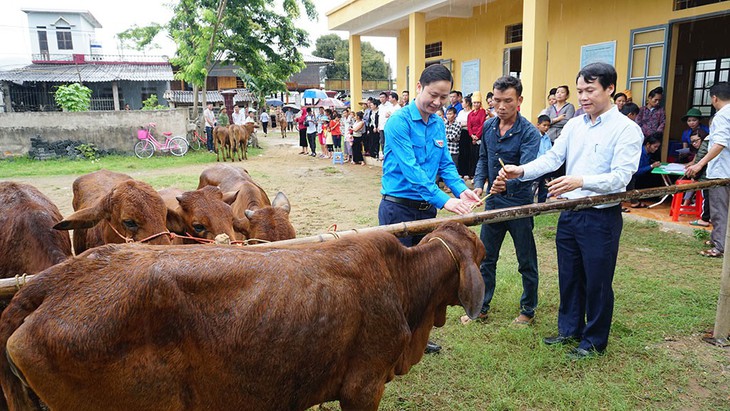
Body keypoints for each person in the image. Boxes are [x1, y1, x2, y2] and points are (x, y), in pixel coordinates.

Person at [497, 63, 643, 359]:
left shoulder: (627, 130)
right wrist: (520, 170)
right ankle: (569, 330)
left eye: (590, 90)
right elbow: (552, 158)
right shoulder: (575, 124)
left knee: (597, 280)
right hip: (569, 212)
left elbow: (620, 178)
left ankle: (593, 341)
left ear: (610, 89)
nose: (584, 96)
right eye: (580, 91)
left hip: (601, 216)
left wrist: (580, 181)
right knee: (570, 274)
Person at [379, 64, 481, 354]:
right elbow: (411, 171)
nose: (437, 102)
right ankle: (392, 338)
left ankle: (417, 333)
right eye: (433, 95)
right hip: (397, 209)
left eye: (444, 97)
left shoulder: (438, 124)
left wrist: (463, 190)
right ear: (420, 87)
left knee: (423, 275)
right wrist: (446, 201)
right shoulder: (398, 122)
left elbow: (445, 165)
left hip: (426, 212)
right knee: (397, 275)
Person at [467, 75, 540, 327]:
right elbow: (482, 160)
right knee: (485, 257)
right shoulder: (488, 126)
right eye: (496, 100)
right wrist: (479, 185)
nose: (501, 106)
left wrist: (507, 184)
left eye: (507, 101)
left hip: (519, 205)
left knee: (525, 260)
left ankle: (528, 310)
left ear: (519, 100)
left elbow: (528, 170)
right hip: (493, 204)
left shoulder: (530, 133)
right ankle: (481, 307)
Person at [686, 82, 730, 258]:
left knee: (719, 210)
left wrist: (699, 164)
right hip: (727, 169)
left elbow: (719, 143)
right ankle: (717, 238)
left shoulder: (721, 116)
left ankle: (719, 247)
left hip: (721, 171)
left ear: (714, 98)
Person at [626, 133, 662, 208]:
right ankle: (634, 201)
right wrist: (651, 166)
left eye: (657, 147)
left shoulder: (648, 154)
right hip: (633, 176)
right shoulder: (639, 153)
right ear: (648, 145)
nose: (656, 149)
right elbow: (636, 171)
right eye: (655, 147)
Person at [686, 129, 712, 227]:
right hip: (715, 175)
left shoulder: (707, 142)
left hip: (706, 176)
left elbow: (699, 159)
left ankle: (704, 219)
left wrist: (695, 176)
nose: (694, 144)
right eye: (692, 142)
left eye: (696, 141)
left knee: (707, 197)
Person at [467, 91, 487, 179]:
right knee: (472, 156)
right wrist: (472, 135)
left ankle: (479, 175)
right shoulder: (470, 114)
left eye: (478, 102)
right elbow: (469, 125)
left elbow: (482, 124)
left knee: (479, 155)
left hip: (480, 136)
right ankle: (472, 173)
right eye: (475, 102)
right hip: (472, 137)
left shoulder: (482, 112)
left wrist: (477, 136)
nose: (476, 104)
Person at [533, 114, 552, 203]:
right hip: (536, 165)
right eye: (544, 125)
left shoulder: (547, 137)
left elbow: (550, 150)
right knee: (533, 186)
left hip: (545, 166)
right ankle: (529, 204)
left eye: (548, 126)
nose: (546, 128)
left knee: (544, 187)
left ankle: (542, 205)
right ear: (538, 125)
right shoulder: (534, 136)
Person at [456, 95, 473, 179]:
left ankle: (467, 172)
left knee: (468, 153)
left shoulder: (471, 112)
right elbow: (457, 122)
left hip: (468, 133)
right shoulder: (461, 112)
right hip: (461, 133)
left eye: (463, 102)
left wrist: (464, 124)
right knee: (461, 153)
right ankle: (461, 171)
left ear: (468, 103)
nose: (462, 103)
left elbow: (470, 124)